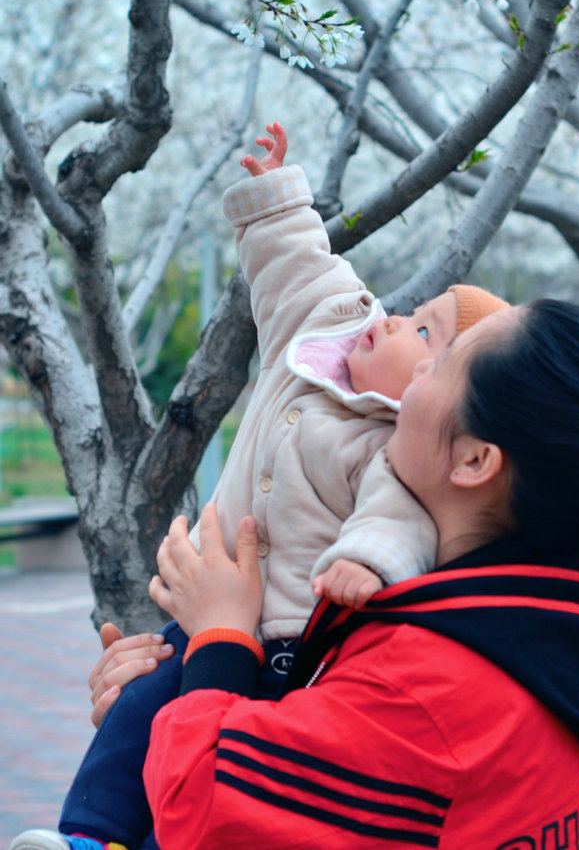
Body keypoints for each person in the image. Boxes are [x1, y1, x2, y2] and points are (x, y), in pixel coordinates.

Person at [89, 301, 579, 847]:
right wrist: (167, 707)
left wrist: (218, 644)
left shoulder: (426, 687)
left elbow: (208, 813)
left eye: (440, 362)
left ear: (476, 461)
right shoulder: (554, 626)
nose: (414, 368)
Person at [10, 124, 509, 850]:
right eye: (414, 311)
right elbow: (303, 266)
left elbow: (396, 520)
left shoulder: (395, 452)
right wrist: (277, 195)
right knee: (140, 709)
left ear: (443, 399)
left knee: (215, 763)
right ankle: (87, 838)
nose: (396, 318)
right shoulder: (329, 328)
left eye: (425, 335)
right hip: (205, 616)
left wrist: (365, 566)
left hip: (286, 645)